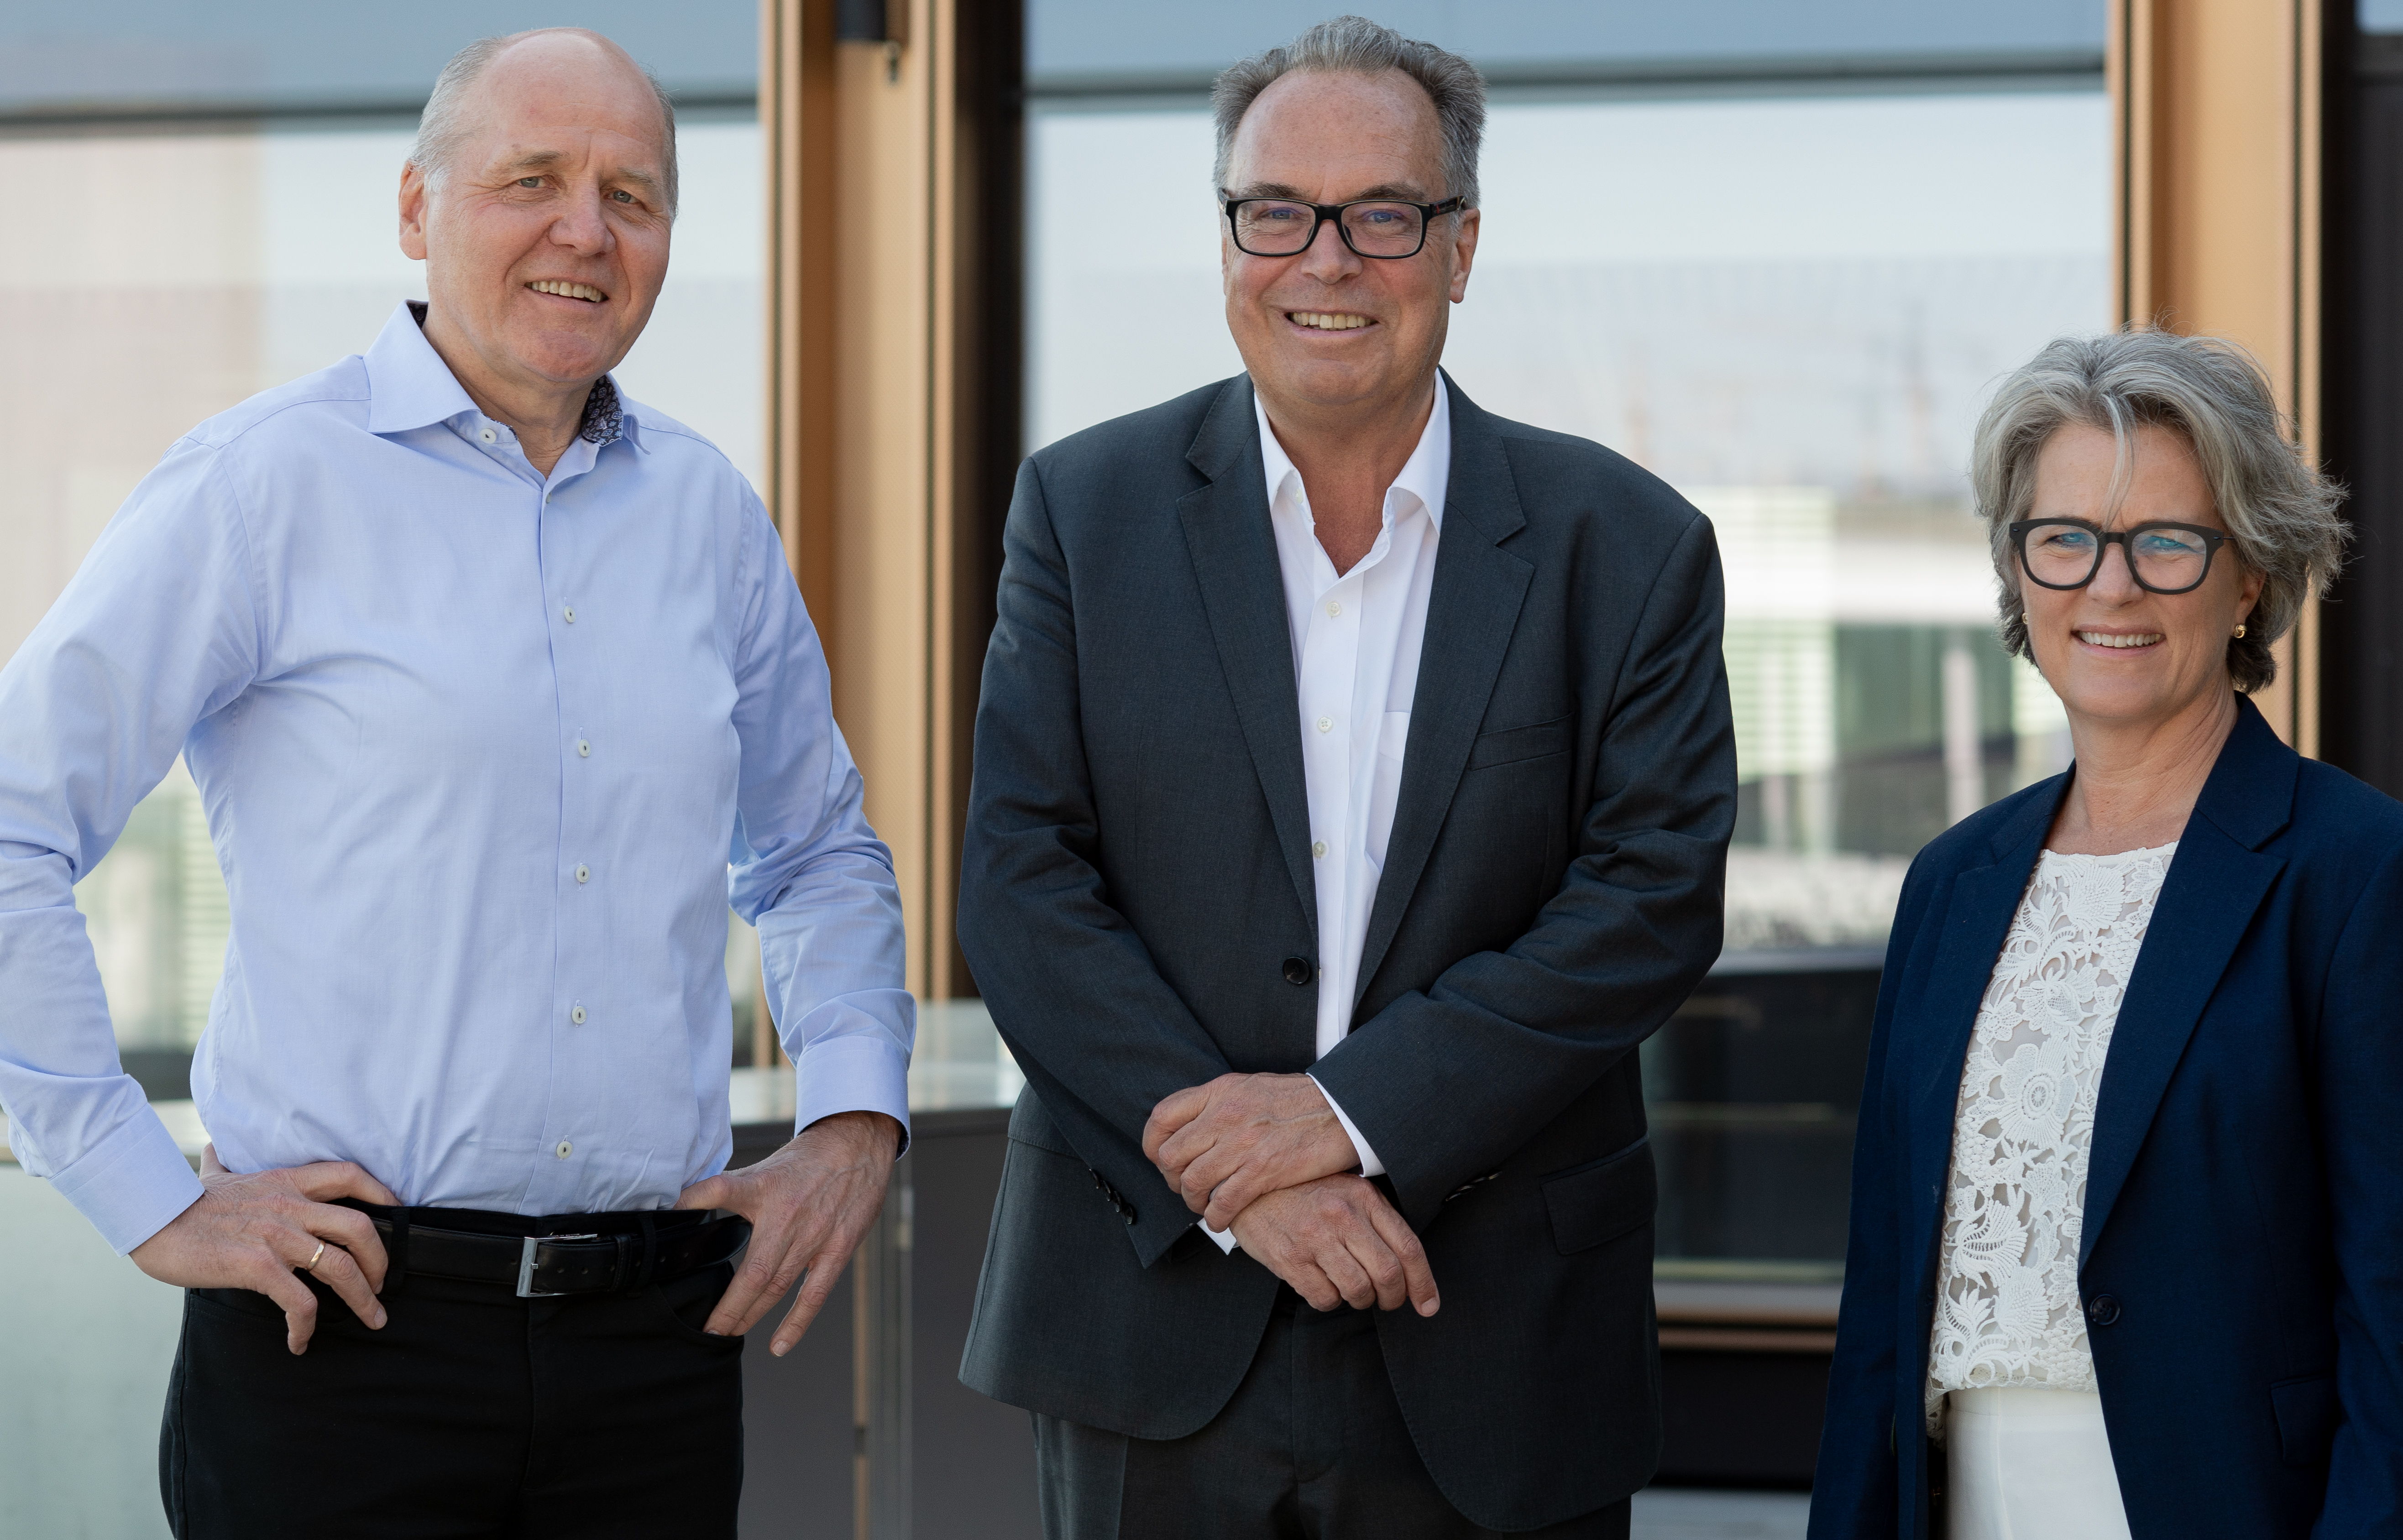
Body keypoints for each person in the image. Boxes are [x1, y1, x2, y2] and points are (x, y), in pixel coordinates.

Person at [0, 29, 911, 1539]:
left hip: (656, 1346)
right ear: (417, 211)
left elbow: (815, 849)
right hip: (338, 1339)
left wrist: (853, 1121)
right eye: (532, 181)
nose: (585, 230)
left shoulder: (706, 515)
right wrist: (140, 1193)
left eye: (633, 193)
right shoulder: (260, 486)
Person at [955, 16, 1734, 1539]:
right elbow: (1022, 880)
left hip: (1494, 1327)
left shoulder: (1627, 545)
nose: (1326, 260)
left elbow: (1648, 900)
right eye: (1276, 214)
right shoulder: (1081, 510)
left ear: (1461, 247)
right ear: (1229, 235)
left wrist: (1350, 1118)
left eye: (1384, 215)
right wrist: (1247, 1176)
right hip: (1150, 1310)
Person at [1807, 330, 2403, 1539]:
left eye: (2167, 543)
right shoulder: (1952, 884)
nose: (2109, 586)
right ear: (2018, 572)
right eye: (2064, 538)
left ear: (2250, 576)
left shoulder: (2377, 881)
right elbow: (1882, 1308)